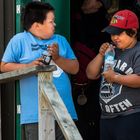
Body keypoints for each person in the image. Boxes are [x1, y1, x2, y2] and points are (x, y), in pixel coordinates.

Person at [1, 1, 79, 140]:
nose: (55, 24)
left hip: (65, 110)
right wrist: (29, 66)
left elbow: (75, 68)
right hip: (35, 114)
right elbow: (4, 66)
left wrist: (58, 58)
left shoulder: (60, 40)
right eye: (51, 21)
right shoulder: (19, 40)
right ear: (37, 25)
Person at [86, 9, 140, 140]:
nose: (114, 38)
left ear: (133, 32)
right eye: (112, 34)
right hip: (106, 117)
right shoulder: (112, 51)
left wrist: (115, 77)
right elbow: (90, 74)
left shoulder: (137, 51)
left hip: (130, 115)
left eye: (119, 33)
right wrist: (100, 54)